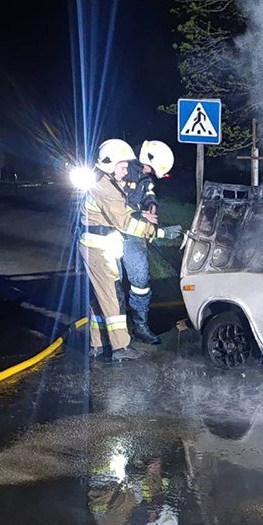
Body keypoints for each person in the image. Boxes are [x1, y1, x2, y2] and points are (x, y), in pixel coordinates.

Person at [80, 139, 182, 362]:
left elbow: (136, 201)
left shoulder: (108, 179)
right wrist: (162, 233)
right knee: (113, 297)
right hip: (102, 244)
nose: (127, 170)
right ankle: (120, 347)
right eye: (123, 166)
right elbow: (126, 222)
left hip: (104, 242)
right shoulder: (105, 185)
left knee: (102, 297)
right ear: (110, 162)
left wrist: (147, 206)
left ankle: (98, 344)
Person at [120, 140, 175, 345]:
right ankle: (109, 336)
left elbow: (149, 193)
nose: (149, 172)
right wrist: (139, 213)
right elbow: (113, 204)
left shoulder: (144, 178)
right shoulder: (121, 169)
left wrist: (151, 205)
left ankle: (140, 327)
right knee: (112, 286)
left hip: (134, 235)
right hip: (112, 234)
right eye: (150, 168)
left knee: (141, 283)